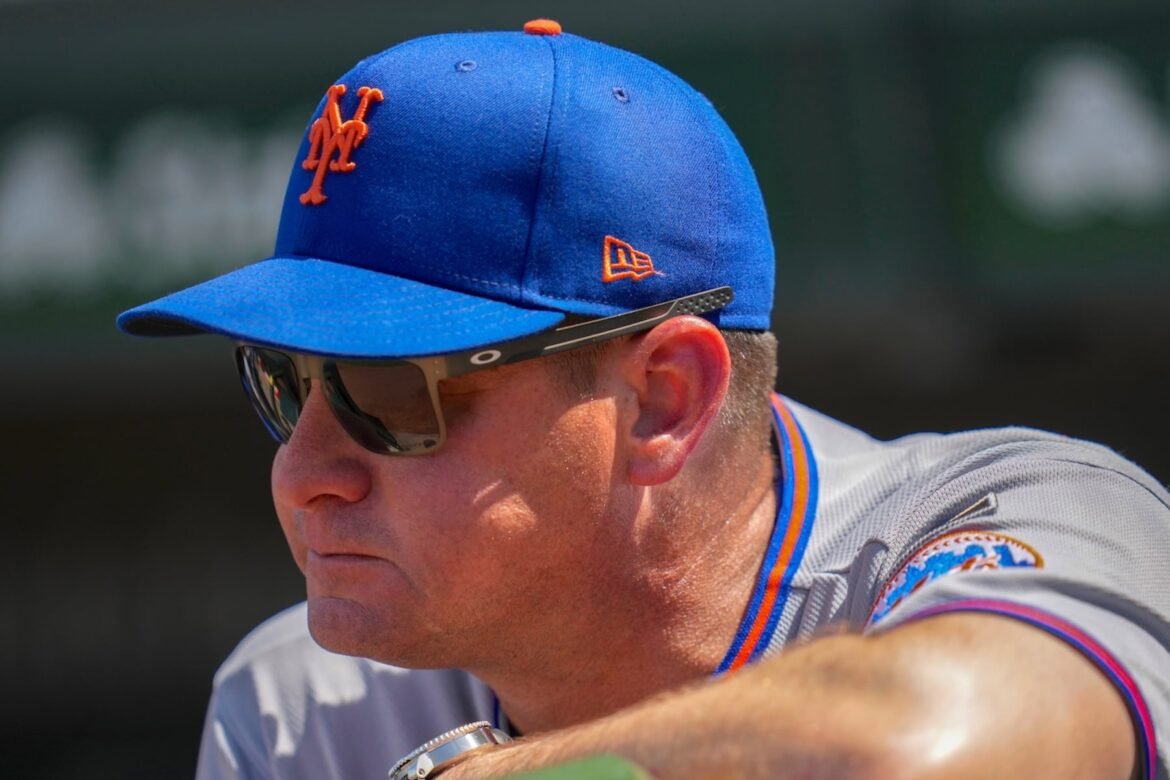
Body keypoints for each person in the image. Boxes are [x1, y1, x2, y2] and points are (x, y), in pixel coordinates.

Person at [118, 19, 1169, 780]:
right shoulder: (307, 707)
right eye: (285, 380)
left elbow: (911, 748)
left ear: (664, 402)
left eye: (390, 393)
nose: (302, 475)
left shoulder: (1034, 509)